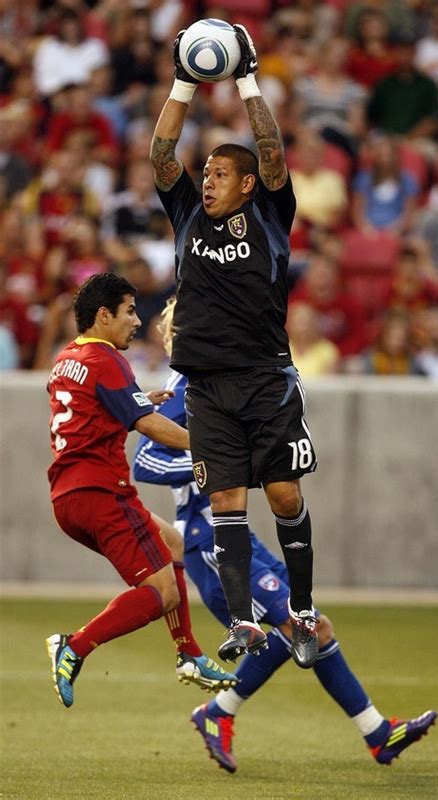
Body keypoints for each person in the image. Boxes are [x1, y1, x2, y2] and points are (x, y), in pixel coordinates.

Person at [132, 308, 438, 772]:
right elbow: (145, 464)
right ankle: (220, 714)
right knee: (295, 629)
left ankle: (378, 733)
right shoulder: (182, 392)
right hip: (208, 542)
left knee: (314, 628)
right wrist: (215, 464)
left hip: (240, 536)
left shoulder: (219, 385)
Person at [149, 25, 319, 668]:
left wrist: (246, 79)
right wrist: (185, 83)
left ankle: (301, 611)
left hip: (266, 377)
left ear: (249, 184)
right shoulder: (188, 212)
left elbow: (270, 153)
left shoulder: (272, 212)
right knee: (225, 501)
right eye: (209, 172)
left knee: (282, 496)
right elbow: (161, 156)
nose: (210, 180)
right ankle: (246, 623)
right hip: (207, 383)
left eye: (222, 173)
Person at [45, 272, 238, 709]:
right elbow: (148, 428)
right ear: (103, 315)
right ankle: (74, 646)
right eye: (129, 311)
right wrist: (210, 443)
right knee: (162, 593)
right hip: (101, 493)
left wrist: (134, 400)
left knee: (172, 540)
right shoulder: (108, 360)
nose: (136, 320)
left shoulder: (66, 358)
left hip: (68, 497)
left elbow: (90, 411)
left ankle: (188, 652)